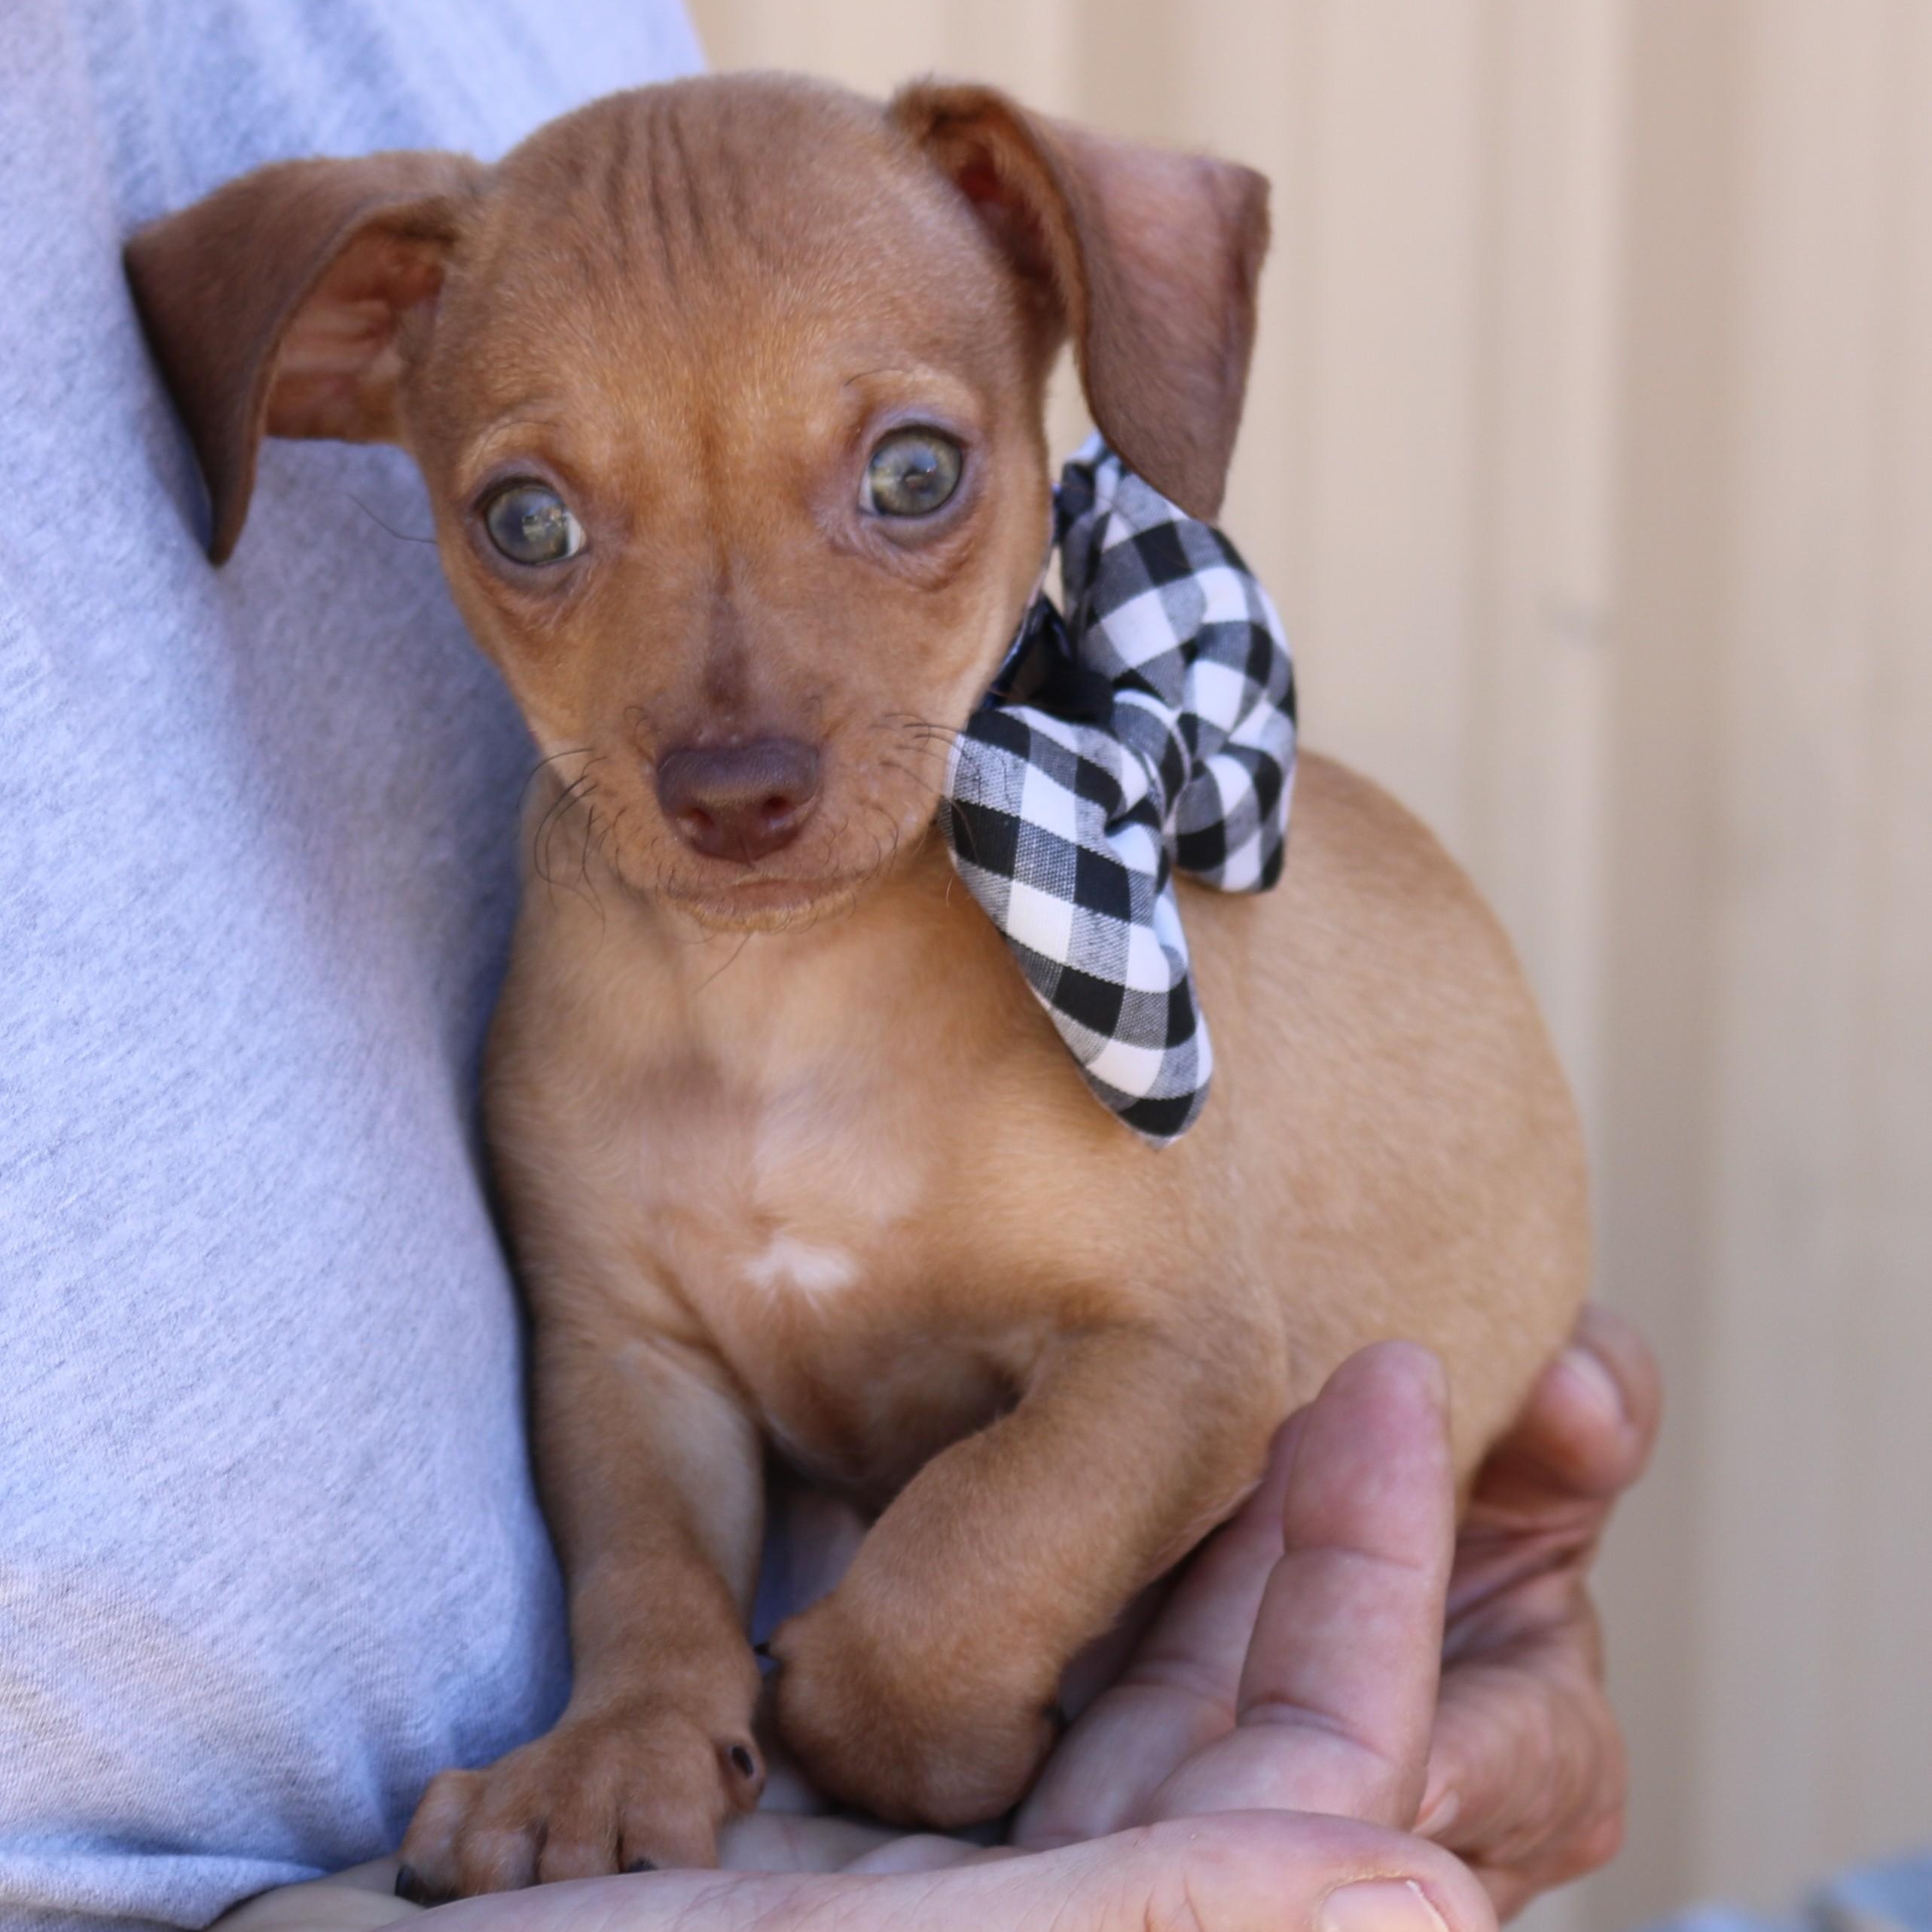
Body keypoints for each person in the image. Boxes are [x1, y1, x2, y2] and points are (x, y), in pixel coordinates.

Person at [0, 4, 1655, 1927]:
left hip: (1248, 1562)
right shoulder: (574, 1013)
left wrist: (910, 1674)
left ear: (1052, 297)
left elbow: (1183, 1357)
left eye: (904, 479)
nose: (738, 733)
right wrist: (650, 1684)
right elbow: (639, 1353)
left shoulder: (1067, 955)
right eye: (539, 522)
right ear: (356, 348)